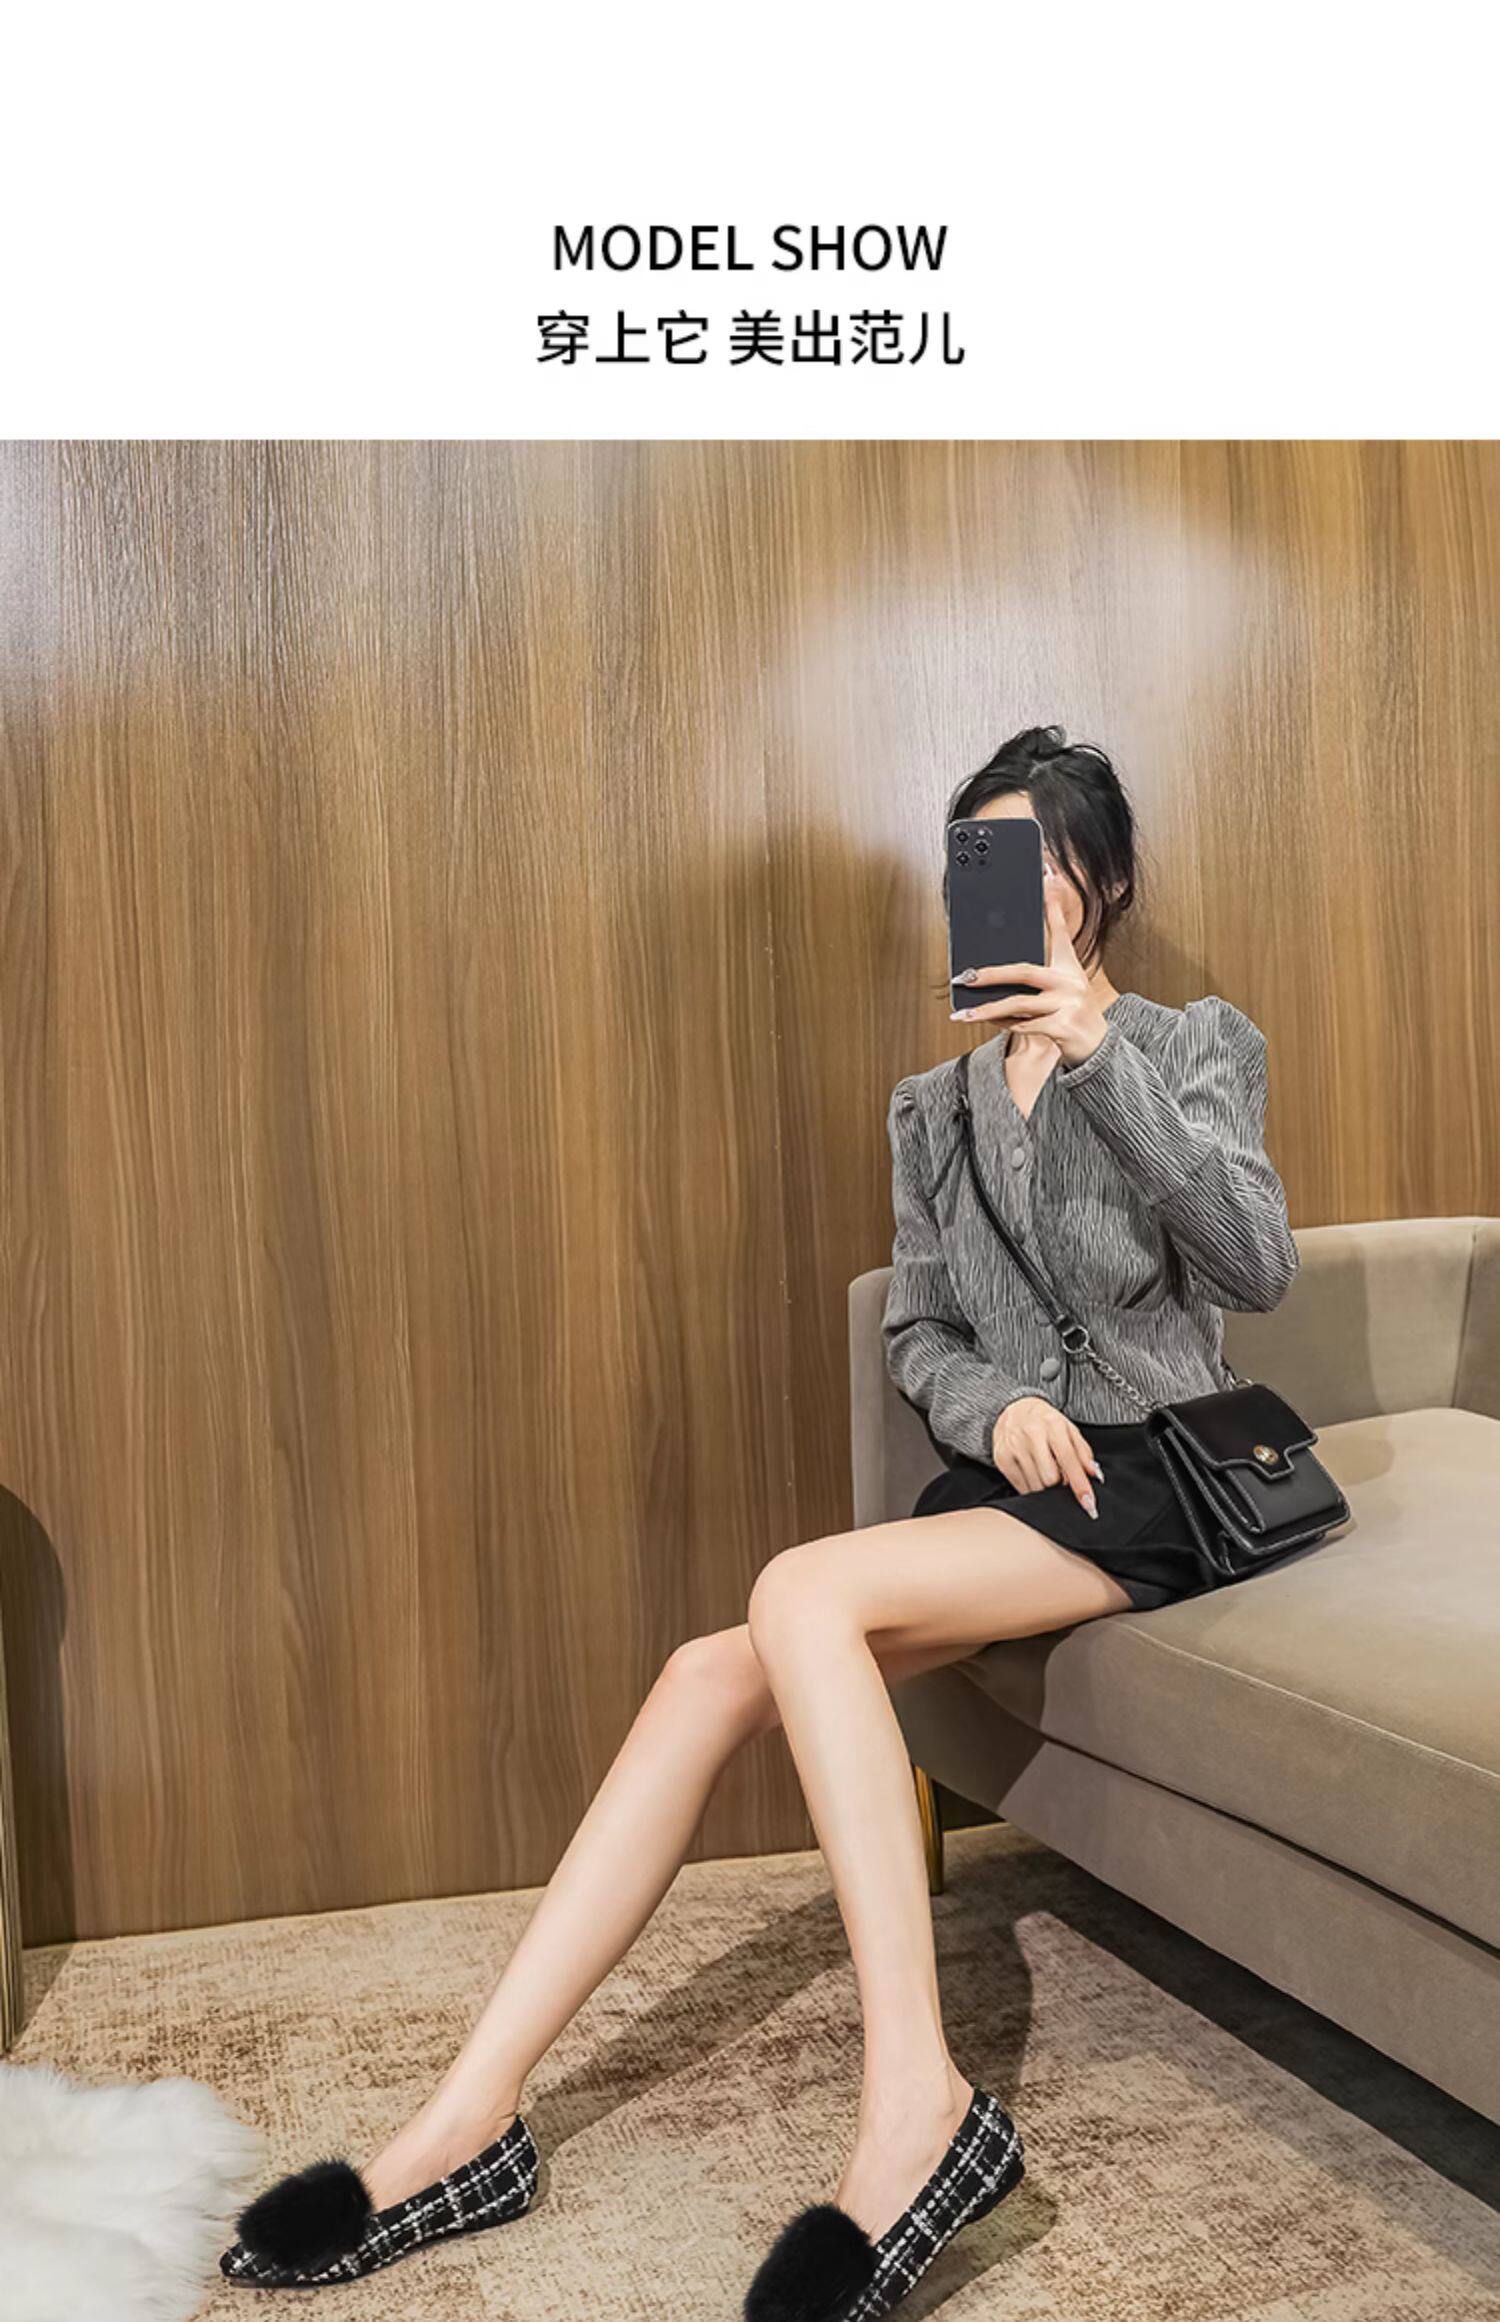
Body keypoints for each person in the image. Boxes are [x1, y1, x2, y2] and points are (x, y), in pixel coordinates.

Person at [220, 724, 1301, 2321]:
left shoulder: (1193, 1042)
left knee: (796, 1590)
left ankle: (916, 2105)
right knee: (701, 1670)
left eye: (1041, 861)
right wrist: (993, 1404)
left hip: (1158, 1481)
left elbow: (1254, 1262)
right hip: (1017, 1485)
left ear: (1105, 881)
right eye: (982, 863)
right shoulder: (931, 1109)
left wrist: (1096, 1053)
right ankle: (467, 2120)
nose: (1010, 894)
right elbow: (921, 1331)